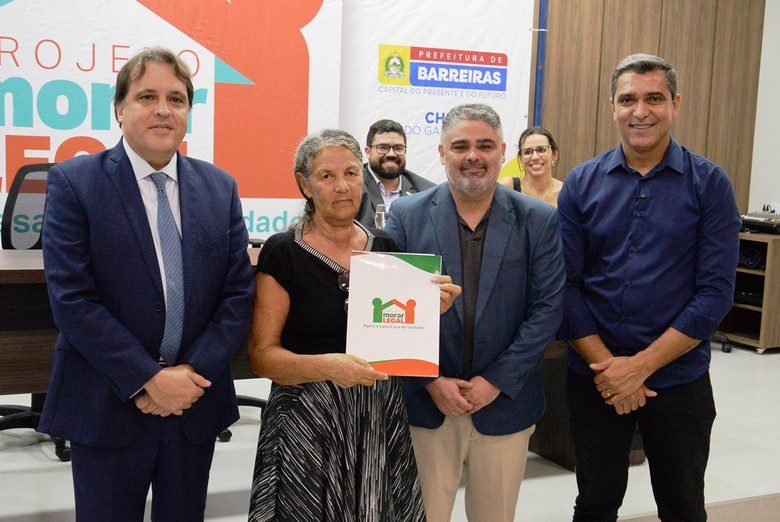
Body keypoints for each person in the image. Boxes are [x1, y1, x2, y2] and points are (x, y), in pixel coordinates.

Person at [38, 47, 255, 521]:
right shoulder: (75, 183)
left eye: (176, 99)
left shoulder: (220, 188)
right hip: (108, 401)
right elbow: (73, 300)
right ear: (119, 108)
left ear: (188, 112)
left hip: (194, 404)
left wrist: (189, 377)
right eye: (147, 97)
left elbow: (237, 296)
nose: (163, 110)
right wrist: (147, 379)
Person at [557, 53, 741, 521]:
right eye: (628, 100)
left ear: (675, 104)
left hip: (678, 379)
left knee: (683, 506)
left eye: (654, 99)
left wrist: (639, 367)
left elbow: (715, 294)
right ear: (612, 107)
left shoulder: (710, 184)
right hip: (595, 379)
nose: (640, 111)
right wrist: (609, 369)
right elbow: (565, 287)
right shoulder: (581, 183)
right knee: (595, 503)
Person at [247, 129, 460, 521]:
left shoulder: (385, 248)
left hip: (376, 417)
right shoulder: (283, 251)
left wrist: (433, 310)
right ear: (305, 184)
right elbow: (262, 357)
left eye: (350, 173)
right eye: (326, 176)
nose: (342, 186)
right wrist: (328, 367)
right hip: (307, 418)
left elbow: (399, 338)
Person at [385, 104, 566, 522]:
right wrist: (430, 381)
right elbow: (390, 312)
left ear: (502, 151)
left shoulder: (538, 220)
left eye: (485, 145)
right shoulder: (407, 217)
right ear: (442, 152)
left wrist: (495, 381)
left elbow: (547, 309)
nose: (473, 156)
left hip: (505, 404)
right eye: (460, 146)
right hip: (427, 404)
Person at [355, 119, 435, 227]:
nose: (391, 154)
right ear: (368, 152)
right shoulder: (352, 186)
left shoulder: (426, 193)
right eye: (383, 147)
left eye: (398, 148)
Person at [499, 126, 562, 207]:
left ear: (554, 155)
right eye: (527, 152)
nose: (535, 157)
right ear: (520, 159)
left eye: (541, 150)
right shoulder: (508, 187)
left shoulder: (566, 192)